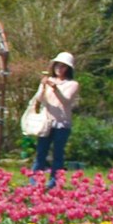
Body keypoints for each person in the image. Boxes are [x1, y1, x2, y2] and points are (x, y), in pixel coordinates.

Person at [23, 52, 81, 182]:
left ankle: (54, 182)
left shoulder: (72, 84)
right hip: (46, 122)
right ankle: (34, 182)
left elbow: (66, 101)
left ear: (68, 69)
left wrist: (56, 89)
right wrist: (43, 86)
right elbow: (39, 98)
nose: (59, 69)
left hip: (62, 123)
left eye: (63, 66)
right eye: (57, 66)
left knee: (57, 154)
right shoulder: (48, 81)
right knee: (41, 153)